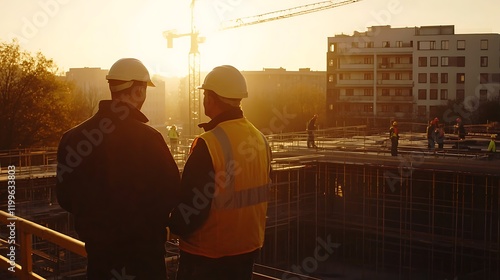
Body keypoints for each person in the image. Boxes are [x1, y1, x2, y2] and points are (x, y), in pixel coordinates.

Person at [56, 58, 181, 280]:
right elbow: (172, 193)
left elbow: (65, 197)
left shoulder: (72, 139)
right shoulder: (150, 139)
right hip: (145, 261)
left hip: (100, 259)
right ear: (140, 90)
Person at [168, 65, 272, 280]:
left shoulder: (209, 144)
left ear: (211, 99)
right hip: (246, 252)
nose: (204, 99)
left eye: (205, 94)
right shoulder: (260, 139)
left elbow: (193, 207)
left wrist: (171, 226)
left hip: (206, 256)